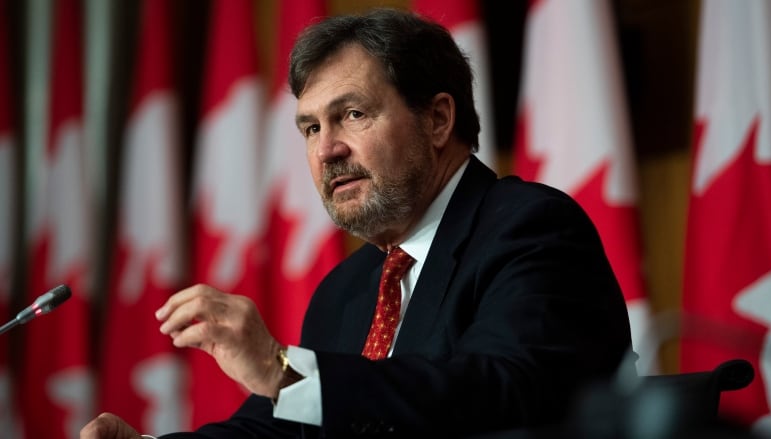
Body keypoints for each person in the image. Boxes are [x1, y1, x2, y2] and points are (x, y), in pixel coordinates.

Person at [81, 7, 634, 439]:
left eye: (352, 115)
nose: (327, 151)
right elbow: (281, 429)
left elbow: (496, 392)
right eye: (310, 129)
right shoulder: (347, 290)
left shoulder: (529, 228)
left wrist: (283, 371)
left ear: (438, 118)